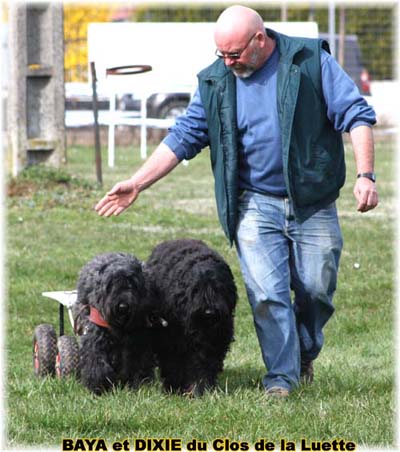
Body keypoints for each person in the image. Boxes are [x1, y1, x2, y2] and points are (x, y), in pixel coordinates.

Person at [95, 5, 378, 398]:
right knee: (266, 294)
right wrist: (137, 183)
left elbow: (356, 114)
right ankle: (282, 378)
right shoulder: (216, 81)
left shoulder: (310, 61)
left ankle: (303, 350)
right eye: (221, 55)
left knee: (315, 289)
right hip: (254, 202)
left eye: (235, 54)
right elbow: (184, 136)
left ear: (260, 40)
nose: (228, 63)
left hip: (312, 201)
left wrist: (366, 175)